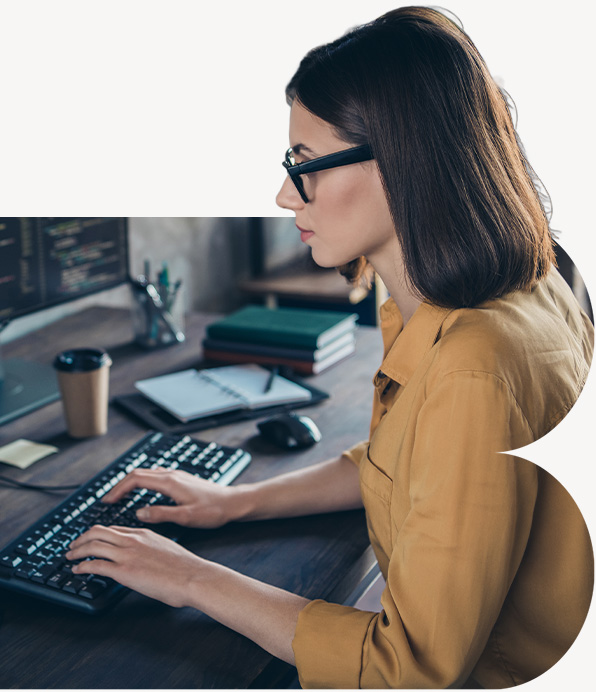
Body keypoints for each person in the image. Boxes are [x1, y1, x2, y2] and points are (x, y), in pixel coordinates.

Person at [66, 6, 594, 688]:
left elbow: (405, 671)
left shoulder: (475, 365)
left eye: (307, 165)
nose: (286, 194)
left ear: (402, 164)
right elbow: (411, 463)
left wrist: (189, 577)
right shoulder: (515, 278)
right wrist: (235, 502)